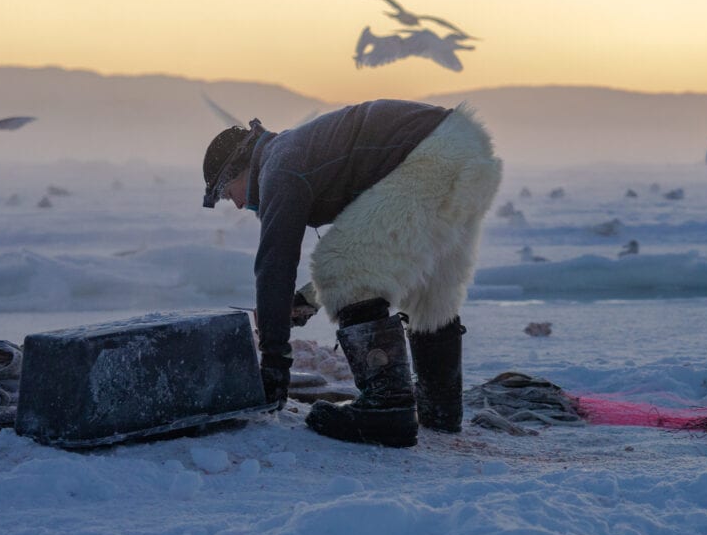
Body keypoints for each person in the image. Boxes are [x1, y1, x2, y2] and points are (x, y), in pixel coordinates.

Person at [202, 100, 502, 447]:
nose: (237, 204)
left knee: (340, 266)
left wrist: (273, 363)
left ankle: (386, 409)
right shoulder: (291, 153)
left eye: (227, 193)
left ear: (240, 169)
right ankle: (441, 410)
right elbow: (367, 237)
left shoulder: (277, 167)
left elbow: (275, 264)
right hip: (463, 147)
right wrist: (306, 300)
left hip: (430, 157)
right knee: (429, 294)